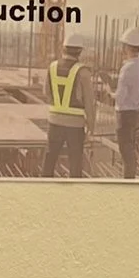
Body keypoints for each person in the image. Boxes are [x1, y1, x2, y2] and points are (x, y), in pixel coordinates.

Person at [42, 40, 88, 178]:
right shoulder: (83, 71)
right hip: (75, 125)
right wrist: (91, 126)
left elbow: (46, 92)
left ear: (63, 49)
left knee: (50, 157)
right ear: (79, 52)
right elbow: (89, 102)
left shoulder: (52, 67)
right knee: (75, 161)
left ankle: (44, 187)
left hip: (55, 122)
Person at [113, 35, 139, 181]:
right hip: (136, 112)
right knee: (132, 148)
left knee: (126, 151)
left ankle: (128, 180)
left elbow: (120, 97)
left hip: (124, 114)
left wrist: (109, 92)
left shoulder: (127, 69)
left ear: (127, 48)